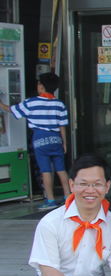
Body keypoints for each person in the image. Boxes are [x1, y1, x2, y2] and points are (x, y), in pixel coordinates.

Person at [0, 71, 69, 208]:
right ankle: (68, 197)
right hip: (56, 138)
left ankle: (50, 200)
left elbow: (12, 110)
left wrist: (1, 104)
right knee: (61, 169)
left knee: (45, 170)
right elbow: (62, 126)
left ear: (41, 86)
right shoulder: (59, 104)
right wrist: (64, 143)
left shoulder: (31, 103)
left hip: (40, 138)